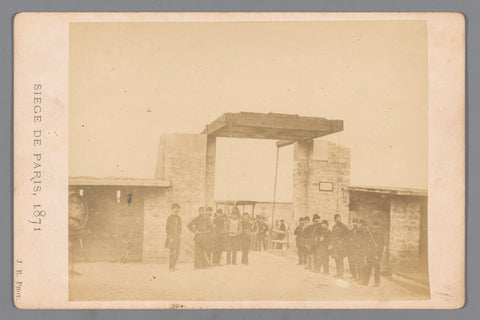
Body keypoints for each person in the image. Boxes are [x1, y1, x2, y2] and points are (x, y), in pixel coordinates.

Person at [361, 221, 384, 287]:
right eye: (374, 227)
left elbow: (381, 247)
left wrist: (378, 255)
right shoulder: (370, 234)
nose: (375, 229)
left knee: (376, 270)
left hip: (376, 255)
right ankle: (365, 282)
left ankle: (377, 283)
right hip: (369, 254)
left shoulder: (380, 235)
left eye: (376, 227)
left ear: (378, 227)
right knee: (368, 269)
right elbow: (367, 244)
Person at [331, 214, 350, 278]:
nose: (338, 219)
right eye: (337, 218)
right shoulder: (334, 227)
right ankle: (338, 273)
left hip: (341, 246)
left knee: (340, 260)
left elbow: (347, 236)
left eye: (339, 218)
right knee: (336, 259)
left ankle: (341, 274)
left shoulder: (344, 227)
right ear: (335, 220)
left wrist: (342, 241)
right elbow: (332, 236)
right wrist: (332, 244)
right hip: (335, 246)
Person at [165, 203, 182, 272]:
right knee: (172, 252)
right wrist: (170, 237)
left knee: (177, 252)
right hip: (171, 237)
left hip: (177, 237)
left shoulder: (179, 218)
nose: (176, 209)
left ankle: (174, 265)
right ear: (172, 209)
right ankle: (171, 266)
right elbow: (167, 228)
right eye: (175, 208)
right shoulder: (170, 218)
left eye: (177, 208)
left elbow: (180, 228)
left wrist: (179, 236)